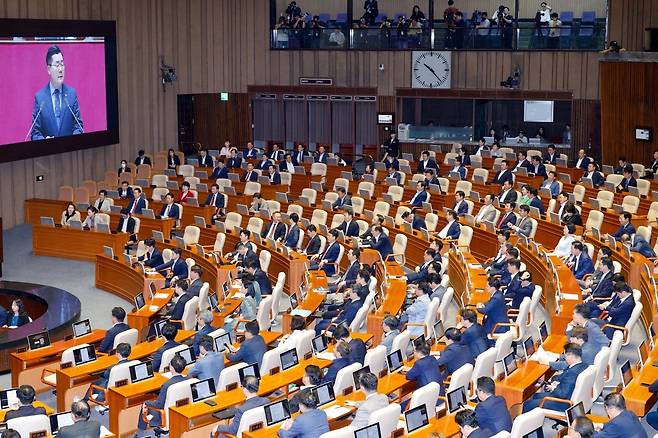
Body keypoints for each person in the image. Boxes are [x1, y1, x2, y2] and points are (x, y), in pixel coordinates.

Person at [30, 45, 83, 140]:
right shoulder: (40, 98)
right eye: (57, 65)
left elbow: (78, 127)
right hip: (49, 153)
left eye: (62, 64)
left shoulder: (71, 94)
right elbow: (35, 133)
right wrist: (45, 141)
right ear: (49, 69)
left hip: (70, 151)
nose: (60, 69)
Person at [522, 343, 588, 412]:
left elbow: (563, 394)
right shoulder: (584, 365)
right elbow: (569, 384)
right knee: (535, 396)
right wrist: (557, 383)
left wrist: (553, 387)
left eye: (565, 355)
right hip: (570, 395)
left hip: (562, 403)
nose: (565, 358)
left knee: (527, 404)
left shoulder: (572, 373)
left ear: (570, 356)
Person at [136, 355, 188, 436]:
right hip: (179, 413)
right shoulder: (187, 380)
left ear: (172, 368)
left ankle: (140, 434)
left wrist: (146, 402)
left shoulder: (167, 385)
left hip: (164, 415)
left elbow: (159, 405)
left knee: (145, 404)